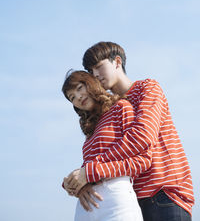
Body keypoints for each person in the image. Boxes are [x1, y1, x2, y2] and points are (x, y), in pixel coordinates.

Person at [67, 42, 194, 221]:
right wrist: (81, 182)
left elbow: (141, 137)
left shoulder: (147, 88)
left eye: (98, 67)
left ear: (117, 62)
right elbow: (101, 152)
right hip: (130, 200)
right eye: (91, 71)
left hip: (163, 193)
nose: (95, 75)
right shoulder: (108, 111)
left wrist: (90, 172)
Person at [62, 70, 146, 221]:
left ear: (91, 83)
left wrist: (89, 174)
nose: (78, 97)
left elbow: (140, 162)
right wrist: (75, 184)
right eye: (72, 97)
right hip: (86, 206)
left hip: (116, 199)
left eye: (80, 88)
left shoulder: (121, 107)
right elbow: (91, 164)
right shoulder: (90, 129)